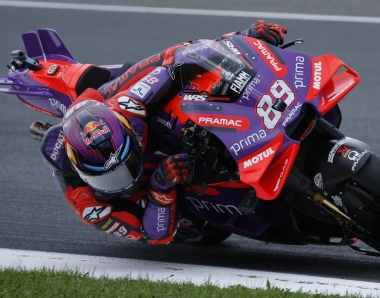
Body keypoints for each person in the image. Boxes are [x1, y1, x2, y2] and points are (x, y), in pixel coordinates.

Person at [40, 20, 287, 244]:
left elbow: (180, 56)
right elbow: (153, 235)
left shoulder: (129, 105)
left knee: (180, 76)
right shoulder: (89, 206)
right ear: (85, 175)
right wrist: (160, 189)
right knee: (190, 221)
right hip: (156, 186)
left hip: (115, 103)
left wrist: (245, 37)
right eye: (110, 177)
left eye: (127, 163)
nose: (126, 180)